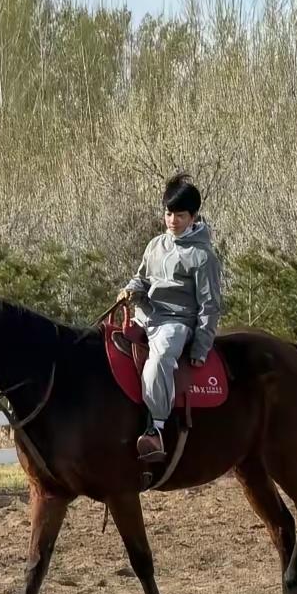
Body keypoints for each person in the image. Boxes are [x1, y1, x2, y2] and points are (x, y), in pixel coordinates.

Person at [119, 174, 223, 461]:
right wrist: (129, 291)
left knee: (159, 360)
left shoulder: (203, 257)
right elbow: (141, 279)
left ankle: (156, 430)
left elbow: (210, 306)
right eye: (168, 213)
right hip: (146, 315)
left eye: (179, 215)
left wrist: (200, 348)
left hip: (176, 323)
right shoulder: (155, 245)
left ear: (193, 216)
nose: (172, 220)